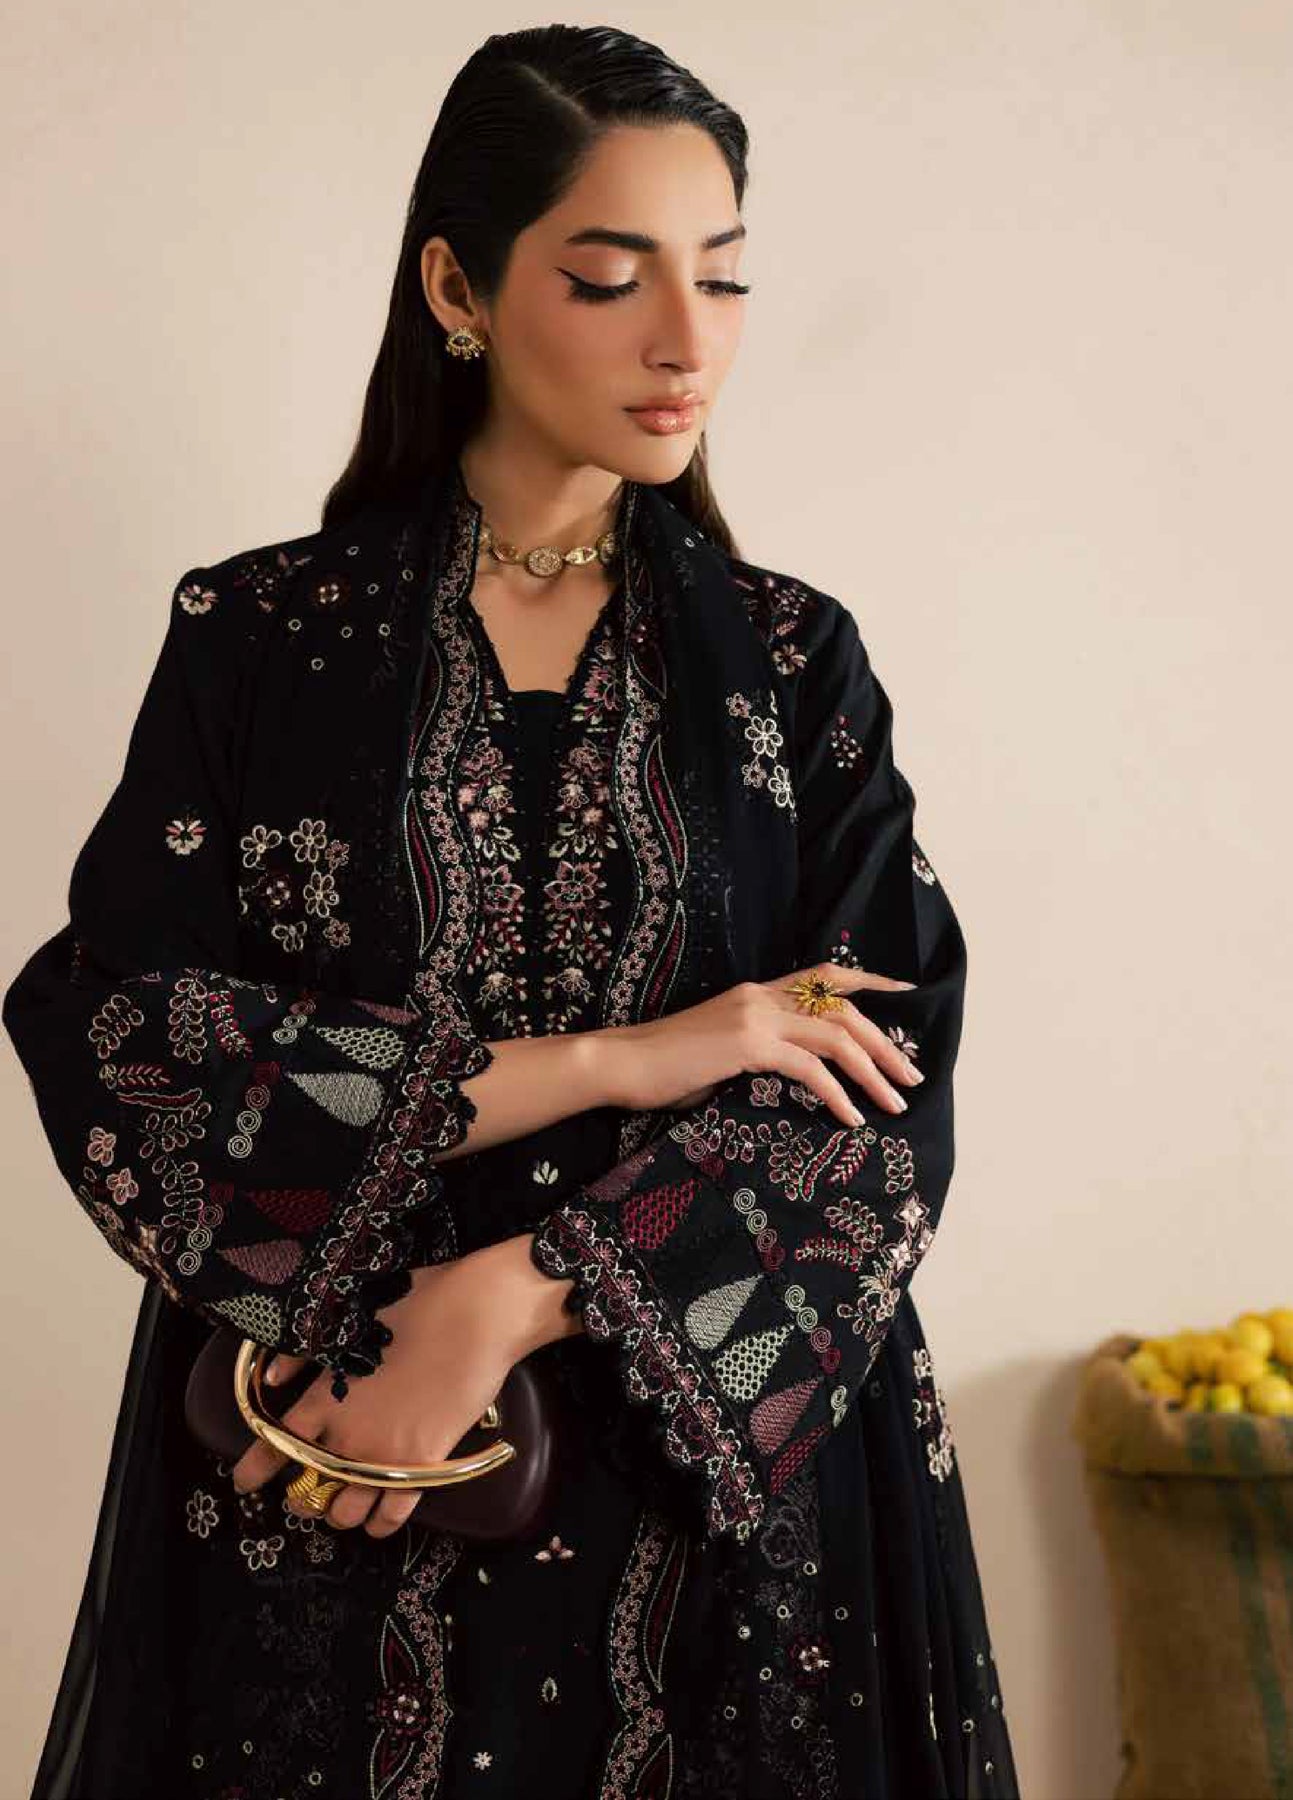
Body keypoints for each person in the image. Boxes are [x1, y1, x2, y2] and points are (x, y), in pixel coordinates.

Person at [3, 23, 1019, 1799]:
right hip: (333, 1453)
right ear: (456, 290)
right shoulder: (260, 640)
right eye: (611, 278)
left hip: (718, 1484)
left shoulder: (793, 664)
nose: (686, 339)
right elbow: (126, 1037)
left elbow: (878, 1083)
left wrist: (514, 1296)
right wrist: (629, 1058)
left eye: (723, 276)